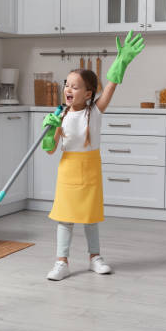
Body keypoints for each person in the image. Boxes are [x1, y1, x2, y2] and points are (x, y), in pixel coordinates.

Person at [41, 31, 145, 281]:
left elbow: (110, 88)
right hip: (67, 171)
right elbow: (50, 149)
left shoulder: (95, 112)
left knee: (90, 218)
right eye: (67, 84)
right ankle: (61, 262)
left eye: (75, 86)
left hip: (89, 171)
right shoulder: (60, 115)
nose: (68, 88)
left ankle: (94, 257)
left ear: (88, 93)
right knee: (64, 218)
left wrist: (121, 63)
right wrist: (50, 128)